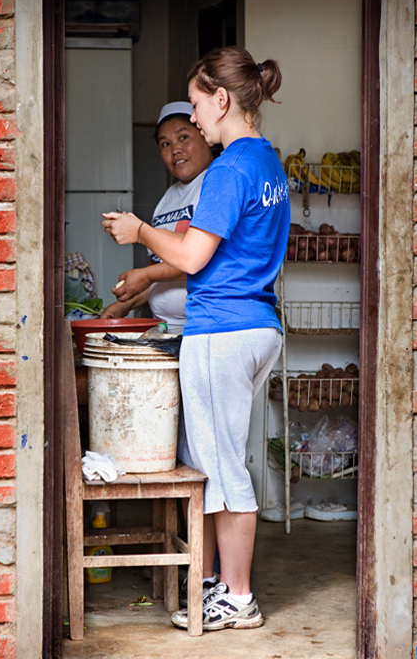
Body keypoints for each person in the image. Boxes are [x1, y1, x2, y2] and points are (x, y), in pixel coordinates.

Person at [102, 46, 288, 632]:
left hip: (222, 330)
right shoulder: (268, 163)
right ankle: (220, 584)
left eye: (200, 104)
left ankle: (236, 595)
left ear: (223, 99)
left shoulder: (230, 168)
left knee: (220, 467)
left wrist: (139, 231)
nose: (196, 119)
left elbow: (190, 254)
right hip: (258, 325)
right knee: (222, 457)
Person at [100, 101, 215, 333]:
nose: (175, 150)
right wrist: (125, 304)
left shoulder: (215, 184)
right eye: (165, 144)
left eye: (183, 137)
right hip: (168, 331)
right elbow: (160, 267)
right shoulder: (168, 198)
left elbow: (200, 258)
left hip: (202, 330)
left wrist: (144, 273)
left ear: (205, 136)